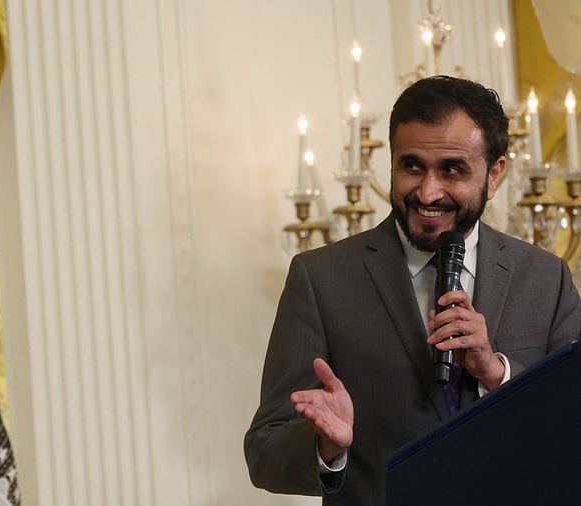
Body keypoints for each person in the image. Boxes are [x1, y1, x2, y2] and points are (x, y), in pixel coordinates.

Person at [244, 75, 581, 505]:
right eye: (412, 165)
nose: (428, 191)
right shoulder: (319, 278)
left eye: (452, 169)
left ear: (494, 175)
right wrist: (327, 448)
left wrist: (497, 375)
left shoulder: (547, 277)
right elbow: (264, 450)